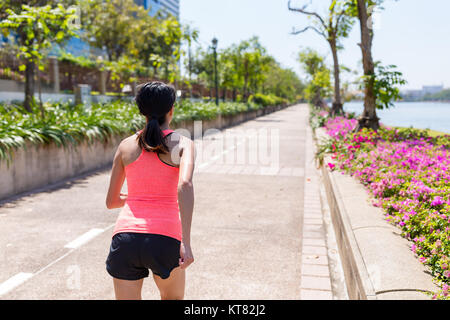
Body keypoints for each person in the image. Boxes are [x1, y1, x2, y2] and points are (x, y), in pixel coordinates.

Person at [105, 81, 195, 300]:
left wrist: (136, 198)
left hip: (125, 238)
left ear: (141, 110)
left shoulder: (126, 145)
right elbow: (184, 185)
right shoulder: (183, 143)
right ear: (171, 109)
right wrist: (187, 243)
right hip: (165, 239)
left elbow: (111, 201)